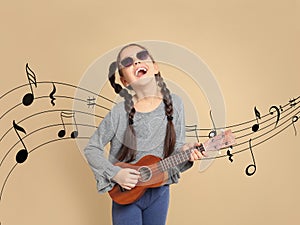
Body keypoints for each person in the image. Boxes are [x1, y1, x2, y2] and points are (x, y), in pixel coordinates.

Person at [84, 43, 205, 225]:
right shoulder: (118, 113)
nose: (136, 61)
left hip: (159, 192)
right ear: (125, 81)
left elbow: (177, 149)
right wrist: (116, 174)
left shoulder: (176, 104)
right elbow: (91, 148)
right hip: (126, 195)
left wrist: (187, 149)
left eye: (141, 55)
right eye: (127, 61)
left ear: (155, 67)